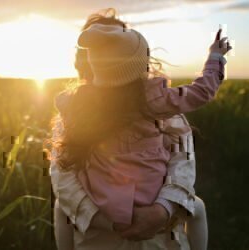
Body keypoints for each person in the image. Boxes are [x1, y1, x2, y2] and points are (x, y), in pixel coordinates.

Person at [48, 8, 231, 250]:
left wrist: (160, 211)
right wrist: (215, 58)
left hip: (132, 218)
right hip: (116, 223)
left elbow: (182, 163)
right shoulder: (157, 102)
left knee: (61, 207)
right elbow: (63, 176)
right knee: (197, 206)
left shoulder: (76, 106)